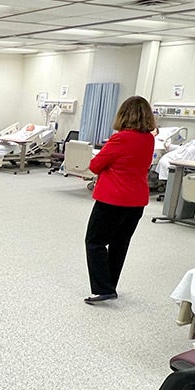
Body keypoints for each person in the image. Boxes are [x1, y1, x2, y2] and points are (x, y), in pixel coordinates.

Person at [83, 95, 157, 304]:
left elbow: (95, 165)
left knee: (95, 242)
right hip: (136, 202)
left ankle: (103, 288)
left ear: (124, 115)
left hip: (113, 201)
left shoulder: (120, 139)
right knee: (119, 243)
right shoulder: (149, 139)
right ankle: (110, 285)